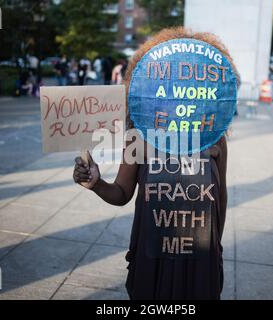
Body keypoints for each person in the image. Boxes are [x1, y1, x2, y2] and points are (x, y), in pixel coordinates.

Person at [73, 27, 240, 300]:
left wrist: (215, 251)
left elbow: (220, 199)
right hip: (152, 263)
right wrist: (96, 183)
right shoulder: (140, 136)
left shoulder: (214, 140)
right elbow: (122, 192)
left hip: (200, 265)